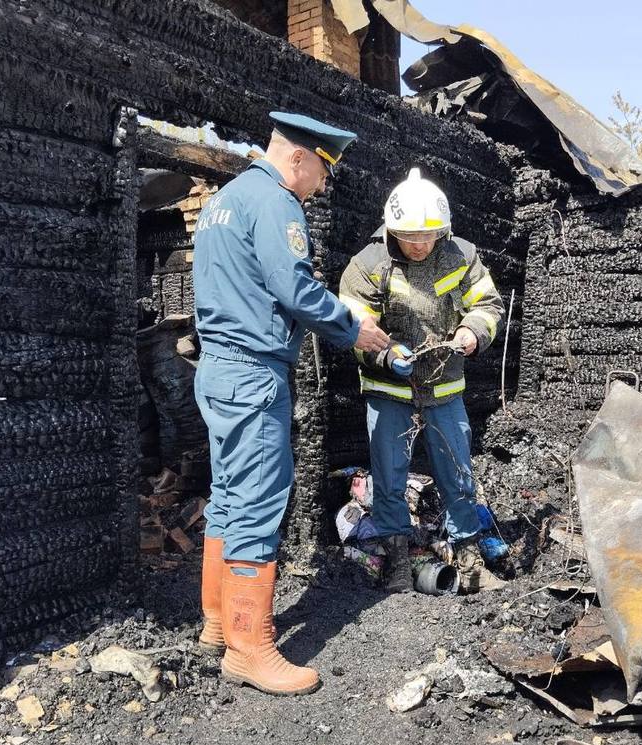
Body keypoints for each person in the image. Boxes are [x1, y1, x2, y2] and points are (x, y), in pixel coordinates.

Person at [192, 111, 390, 696]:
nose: (323, 185)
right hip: (254, 373)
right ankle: (250, 649)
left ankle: (216, 623)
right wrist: (354, 327)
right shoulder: (277, 203)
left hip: (218, 369)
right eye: (323, 172)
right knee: (256, 503)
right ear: (300, 157)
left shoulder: (223, 200)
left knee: (228, 494)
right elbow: (295, 289)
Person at [339, 168, 505, 595]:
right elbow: (351, 326)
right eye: (410, 237)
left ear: (443, 231)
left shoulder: (461, 256)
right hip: (389, 390)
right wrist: (384, 353)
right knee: (389, 475)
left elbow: (487, 304)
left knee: (457, 472)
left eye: (428, 237)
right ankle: (396, 560)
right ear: (392, 230)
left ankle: (467, 554)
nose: (419, 245)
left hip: (445, 389)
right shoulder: (368, 266)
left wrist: (473, 332)